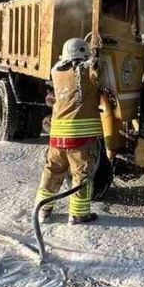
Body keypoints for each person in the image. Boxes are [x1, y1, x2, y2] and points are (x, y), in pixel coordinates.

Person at [35, 37, 103, 225]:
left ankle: (43, 210)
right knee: (81, 175)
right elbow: (97, 74)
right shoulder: (86, 72)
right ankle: (78, 214)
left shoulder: (56, 72)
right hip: (80, 138)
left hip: (57, 136)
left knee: (52, 170)